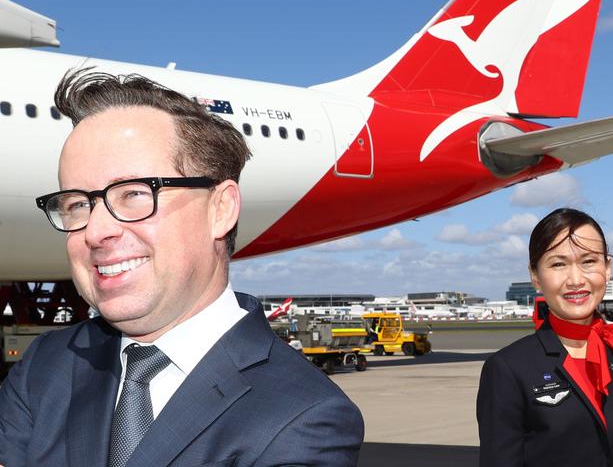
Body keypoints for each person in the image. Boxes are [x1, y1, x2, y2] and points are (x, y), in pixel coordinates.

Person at [0, 69, 364, 466]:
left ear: (220, 209)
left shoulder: (304, 415)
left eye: (135, 193)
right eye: (76, 204)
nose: (96, 231)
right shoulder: (47, 363)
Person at [477, 208, 613, 466]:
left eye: (589, 261)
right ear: (535, 276)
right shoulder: (507, 370)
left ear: (608, 268)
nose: (576, 279)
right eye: (558, 264)